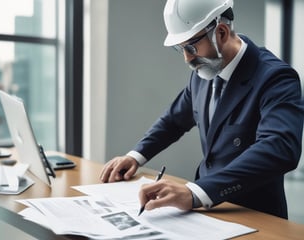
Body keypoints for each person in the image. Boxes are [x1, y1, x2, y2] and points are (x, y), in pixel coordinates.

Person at [100, 0, 303, 219]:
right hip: (205, 211)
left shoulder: (276, 78)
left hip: (254, 215)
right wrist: (135, 156)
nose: (187, 58)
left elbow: (280, 148)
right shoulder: (204, 71)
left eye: (191, 47)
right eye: (181, 49)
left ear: (221, 32)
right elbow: (174, 120)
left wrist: (195, 191)